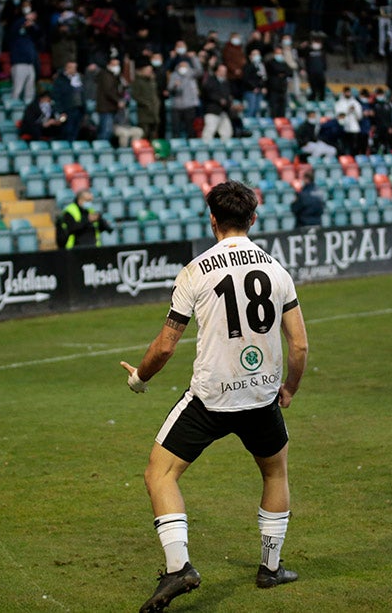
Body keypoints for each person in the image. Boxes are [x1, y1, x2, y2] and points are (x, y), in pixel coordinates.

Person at [119, 180, 308, 612]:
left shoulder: (196, 271)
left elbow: (166, 345)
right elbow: (298, 344)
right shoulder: (277, 270)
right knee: (275, 473)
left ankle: (179, 566)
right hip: (261, 398)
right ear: (253, 219)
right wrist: (290, 388)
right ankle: (271, 568)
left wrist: (139, 379)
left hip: (210, 399)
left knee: (159, 474)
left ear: (212, 220)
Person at [52, 60, 86, 142]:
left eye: (75, 68)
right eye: (71, 68)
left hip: (78, 109)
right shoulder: (60, 80)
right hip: (67, 110)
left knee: (75, 131)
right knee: (67, 131)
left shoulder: (79, 79)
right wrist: (60, 111)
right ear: (66, 68)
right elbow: (56, 97)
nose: (74, 70)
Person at [95, 57, 125, 146]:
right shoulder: (106, 75)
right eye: (114, 64)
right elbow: (109, 91)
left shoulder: (116, 76)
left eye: (117, 65)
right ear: (108, 65)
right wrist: (118, 101)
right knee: (105, 131)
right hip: (105, 108)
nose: (116, 67)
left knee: (108, 131)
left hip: (111, 108)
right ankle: (101, 151)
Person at [200, 63, 233, 142]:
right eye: (222, 71)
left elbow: (228, 96)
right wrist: (219, 100)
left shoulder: (226, 83)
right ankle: (205, 150)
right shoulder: (210, 81)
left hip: (223, 111)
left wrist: (228, 103)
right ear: (216, 72)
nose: (224, 73)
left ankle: (224, 150)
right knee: (209, 130)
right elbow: (207, 93)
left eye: (225, 71)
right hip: (212, 110)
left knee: (227, 131)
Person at [131, 62, 161, 140]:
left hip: (154, 112)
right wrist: (146, 103)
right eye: (148, 70)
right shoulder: (138, 81)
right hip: (144, 113)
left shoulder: (152, 81)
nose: (150, 72)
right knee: (144, 134)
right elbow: (135, 95)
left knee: (153, 134)